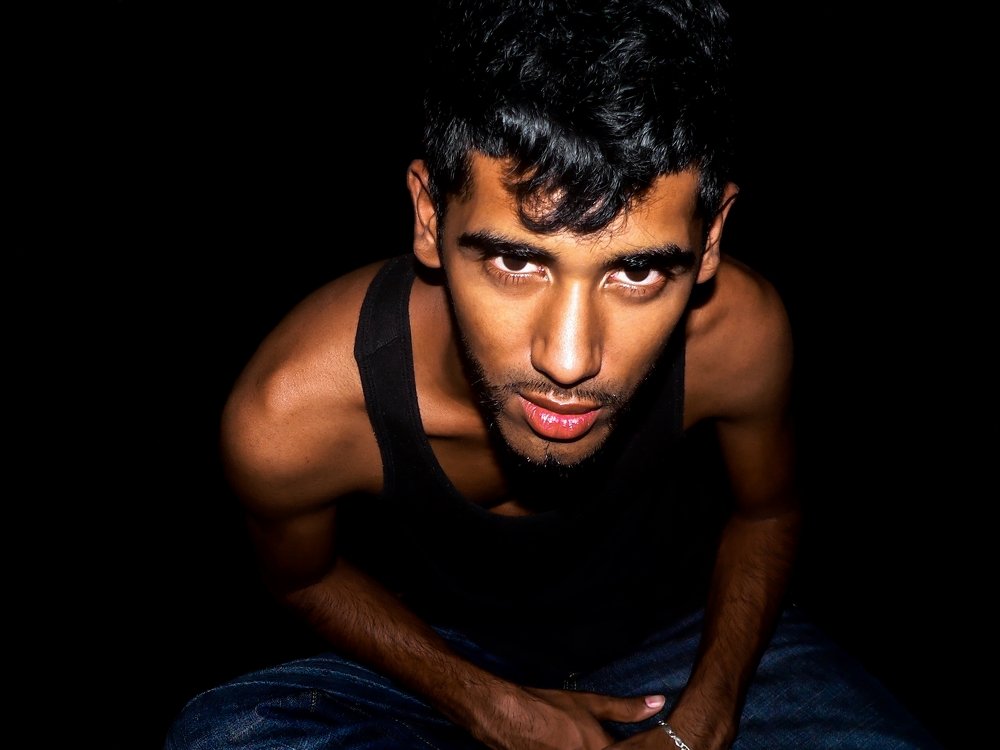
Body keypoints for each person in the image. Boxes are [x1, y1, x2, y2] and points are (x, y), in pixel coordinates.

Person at [165, 1, 942, 748]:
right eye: (515, 260)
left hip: (676, 638)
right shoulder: (295, 413)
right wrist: (490, 707)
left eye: (636, 270)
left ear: (708, 244)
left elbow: (768, 512)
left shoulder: (737, 336)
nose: (568, 361)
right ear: (430, 219)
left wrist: (707, 717)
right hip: (445, 656)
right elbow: (303, 578)